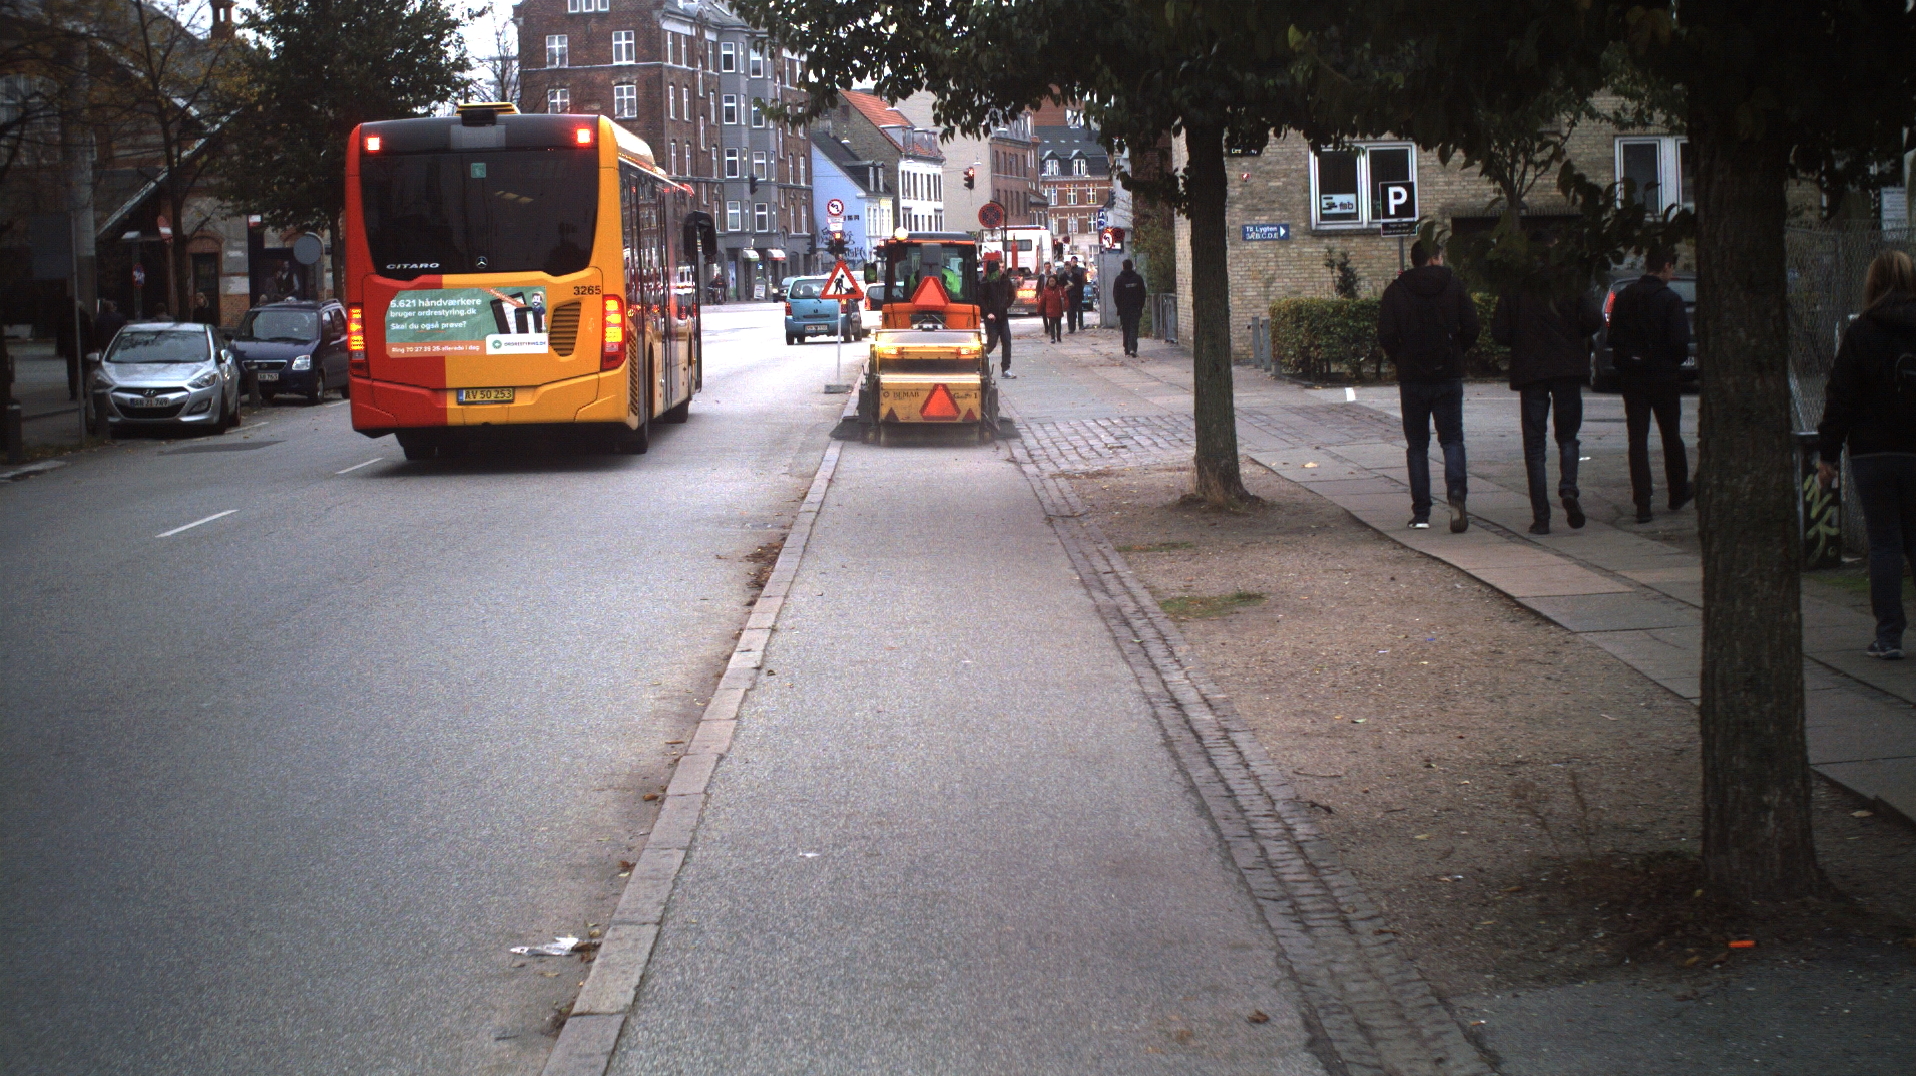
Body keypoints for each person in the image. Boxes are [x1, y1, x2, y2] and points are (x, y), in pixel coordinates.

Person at [1817, 249, 1916, 660]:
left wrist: (1828, 453)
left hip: (1872, 452)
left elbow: (1840, 395)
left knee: (1885, 543)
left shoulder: (1861, 332)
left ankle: (1889, 635)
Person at [1378, 239, 1480, 532]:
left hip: (1412, 377)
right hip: (1447, 374)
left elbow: (1386, 334)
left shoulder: (1396, 290)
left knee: (1417, 446)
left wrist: (1402, 358)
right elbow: (1472, 326)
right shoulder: (1454, 286)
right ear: (1435, 258)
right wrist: (1456, 352)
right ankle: (1456, 492)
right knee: (1452, 440)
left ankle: (1421, 512)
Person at [1493, 277, 1604, 534]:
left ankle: (1541, 518)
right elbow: (1593, 318)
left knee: (1535, 446)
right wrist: (1573, 332)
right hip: (1567, 366)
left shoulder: (1516, 281)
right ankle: (1568, 488)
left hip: (1531, 369)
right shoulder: (1568, 278)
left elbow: (1500, 331)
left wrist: (1522, 338)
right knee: (1568, 436)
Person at [1607, 251, 1692, 523]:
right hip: (1664, 375)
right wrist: (1672, 361)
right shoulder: (1670, 300)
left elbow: (1613, 336)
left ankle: (1643, 502)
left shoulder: (1625, 297)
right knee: (1671, 435)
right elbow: (1680, 343)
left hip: (1633, 376)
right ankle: (1677, 491)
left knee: (1637, 439)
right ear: (1666, 266)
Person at [978, 254, 1015, 378]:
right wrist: (987, 312)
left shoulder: (1005, 280)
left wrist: (1005, 305)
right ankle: (980, 361)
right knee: (992, 342)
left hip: (1002, 316)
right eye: (999, 267)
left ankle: (1006, 368)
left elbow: (1012, 295)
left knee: (1007, 341)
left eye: (1003, 267)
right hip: (991, 318)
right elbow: (981, 299)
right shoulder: (986, 281)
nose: (1001, 270)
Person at [1113, 258, 1147, 357]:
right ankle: (1132, 348)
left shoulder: (1119, 279)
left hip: (1124, 308)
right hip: (1135, 307)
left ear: (1123, 267)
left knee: (1126, 328)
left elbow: (1116, 295)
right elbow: (1142, 294)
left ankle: (1127, 349)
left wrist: (1119, 307)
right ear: (1132, 267)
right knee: (1134, 327)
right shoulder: (1138, 279)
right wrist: (1140, 306)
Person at [1038, 273, 1066, 343]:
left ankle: (1058, 337)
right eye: (1050, 281)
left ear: (1056, 281)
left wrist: (1066, 305)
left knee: (1058, 325)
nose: (1052, 283)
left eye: (1053, 281)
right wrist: (1039, 309)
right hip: (1050, 310)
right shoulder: (1046, 290)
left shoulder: (1060, 289)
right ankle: (1052, 338)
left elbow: (1065, 297)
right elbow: (1042, 301)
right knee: (1051, 325)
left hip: (1058, 310)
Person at [1065, 257, 1087, 333]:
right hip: (1070, 294)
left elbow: (1083, 281)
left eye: (1075, 261)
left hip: (1078, 293)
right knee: (1070, 311)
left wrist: (1081, 289)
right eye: (1073, 261)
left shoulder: (1080, 270)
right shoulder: (1067, 272)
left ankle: (1080, 324)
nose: (1074, 263)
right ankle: (1071, 326)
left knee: (1079, 309)